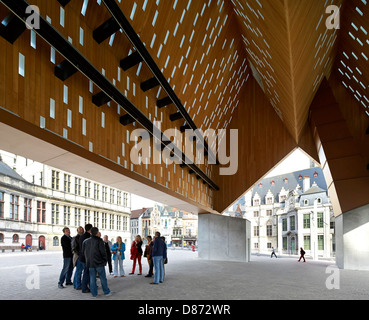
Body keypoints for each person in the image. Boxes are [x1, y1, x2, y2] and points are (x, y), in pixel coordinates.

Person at [82, 227, 113, 298]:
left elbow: (83, 252)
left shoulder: (85, 241)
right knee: (103, 278)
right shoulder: (99, 241)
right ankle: (106, 292)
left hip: (90, 263)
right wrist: (105, 261)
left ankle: (94, 294)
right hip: (99, 262)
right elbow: (103, 252)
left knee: (92, 278)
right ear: (96, 233)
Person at [79, 223, 92, 293]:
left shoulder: (82, 236)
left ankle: (87, 286)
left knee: (86, 273)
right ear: (90, 230)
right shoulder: (88, 237)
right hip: (86, 258)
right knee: (87, 273)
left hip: (82, 257)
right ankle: (84, 288)